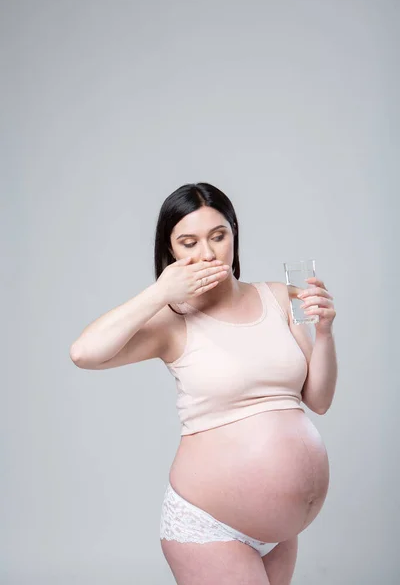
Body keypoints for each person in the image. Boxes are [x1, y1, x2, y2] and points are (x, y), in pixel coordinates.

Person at [70, 182, 337, 585]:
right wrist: (160, 291)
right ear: (171, 251)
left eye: (218, 236)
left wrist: (326, 332)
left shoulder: (283, 297)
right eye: (188, 242)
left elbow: (318, 400)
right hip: (211, 529)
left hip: (281, 534)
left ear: (234, 234)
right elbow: (84, 353)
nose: (208, 253)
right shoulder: (172, 323)